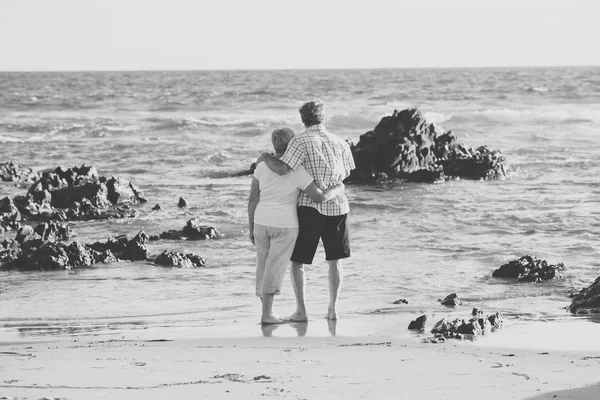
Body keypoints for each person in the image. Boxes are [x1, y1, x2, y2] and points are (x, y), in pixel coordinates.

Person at [257, 100, 355, 321]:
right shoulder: (340, 142)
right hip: (339, 206)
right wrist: (335, 186)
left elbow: (282, 169)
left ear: (303, 120)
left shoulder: (300, 141)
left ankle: (301, 310)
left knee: (298, 261)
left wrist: (265, 158)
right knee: (335, 261)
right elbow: (346, 174)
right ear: (323, 117)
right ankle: (333, 309)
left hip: (310, 209)